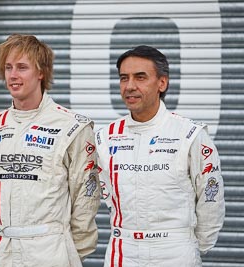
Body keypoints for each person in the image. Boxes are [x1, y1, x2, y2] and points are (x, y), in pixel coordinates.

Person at [95, 45, 225, 267]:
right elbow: (101, 192)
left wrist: (197, 243)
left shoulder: (190, 134)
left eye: (140, 77)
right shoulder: (105, 137)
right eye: (124, 78)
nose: (130, 86)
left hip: (175, 252)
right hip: (123, 250)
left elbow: (210, 198)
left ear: (162, 83)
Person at [0, 34, 100, 267]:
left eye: (22, 67)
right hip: (1, 250)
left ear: (41, 72)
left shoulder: (71, 125)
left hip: (50, 251)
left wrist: (70, 251)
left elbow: (87, 196)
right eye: (8, 68)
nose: (13, 75)